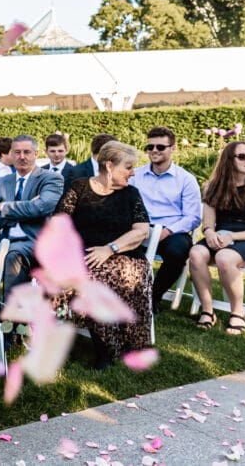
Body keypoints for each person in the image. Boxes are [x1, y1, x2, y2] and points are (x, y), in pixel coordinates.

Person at [55, 141, 152, 369]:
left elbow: (141, 231)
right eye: (128, 167)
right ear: (109, 166)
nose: (133, 172)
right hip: (83, 256)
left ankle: (106, 350)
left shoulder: (131, 194)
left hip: (125, 258)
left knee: (93, 280)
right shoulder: (79, 187)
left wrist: (110, 249)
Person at [189, 141, 245, 335]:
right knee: (195, 252)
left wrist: (231, 237)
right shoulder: (212, 187)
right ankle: (207, 310)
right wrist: (209, 232)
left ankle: (238, 312)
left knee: (224, 258)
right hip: (221, 237)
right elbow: (208, 223)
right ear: (229, 160)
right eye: (243, 156)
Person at [0, 135, 63, 300]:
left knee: (14, 253)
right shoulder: (1, 182)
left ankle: (13, 319)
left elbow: (42, 207)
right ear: (11, 155)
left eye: (27, 152)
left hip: (34, 240)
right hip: (1, 239)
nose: (22, 157)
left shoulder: (51, 178)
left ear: (36, 153)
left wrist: (5, 207)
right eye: (17, 152)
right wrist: (27, 211)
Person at [129, 126, 201, 312]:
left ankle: (152, 297)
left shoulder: (186, 179)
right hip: (139, 228)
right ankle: (125, 293)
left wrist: (167, 231)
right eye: (150, 146)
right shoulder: (135, 176)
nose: (154, 150)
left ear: (173, 149)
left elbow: (193, 217)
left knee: (177, 253)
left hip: (171, 231)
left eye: (160, 147)